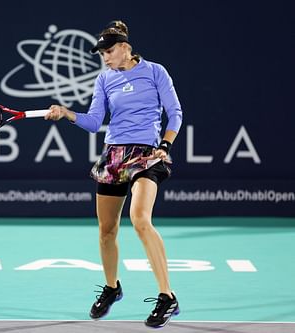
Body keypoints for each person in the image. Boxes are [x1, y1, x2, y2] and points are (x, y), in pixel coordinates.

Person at [45, 20, 183, 329]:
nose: (105, 58)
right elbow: (95, 121)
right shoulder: (105, 80)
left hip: (147, 153)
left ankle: (167, 296)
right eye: (102, 54)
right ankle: (112, 288)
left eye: (108, 51)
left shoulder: (155, 72)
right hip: (113, 156)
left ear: (124, 48)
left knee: (140, 220)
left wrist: (165, 144)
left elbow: (175, 113)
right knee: (106, 230)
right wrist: (67, 113)